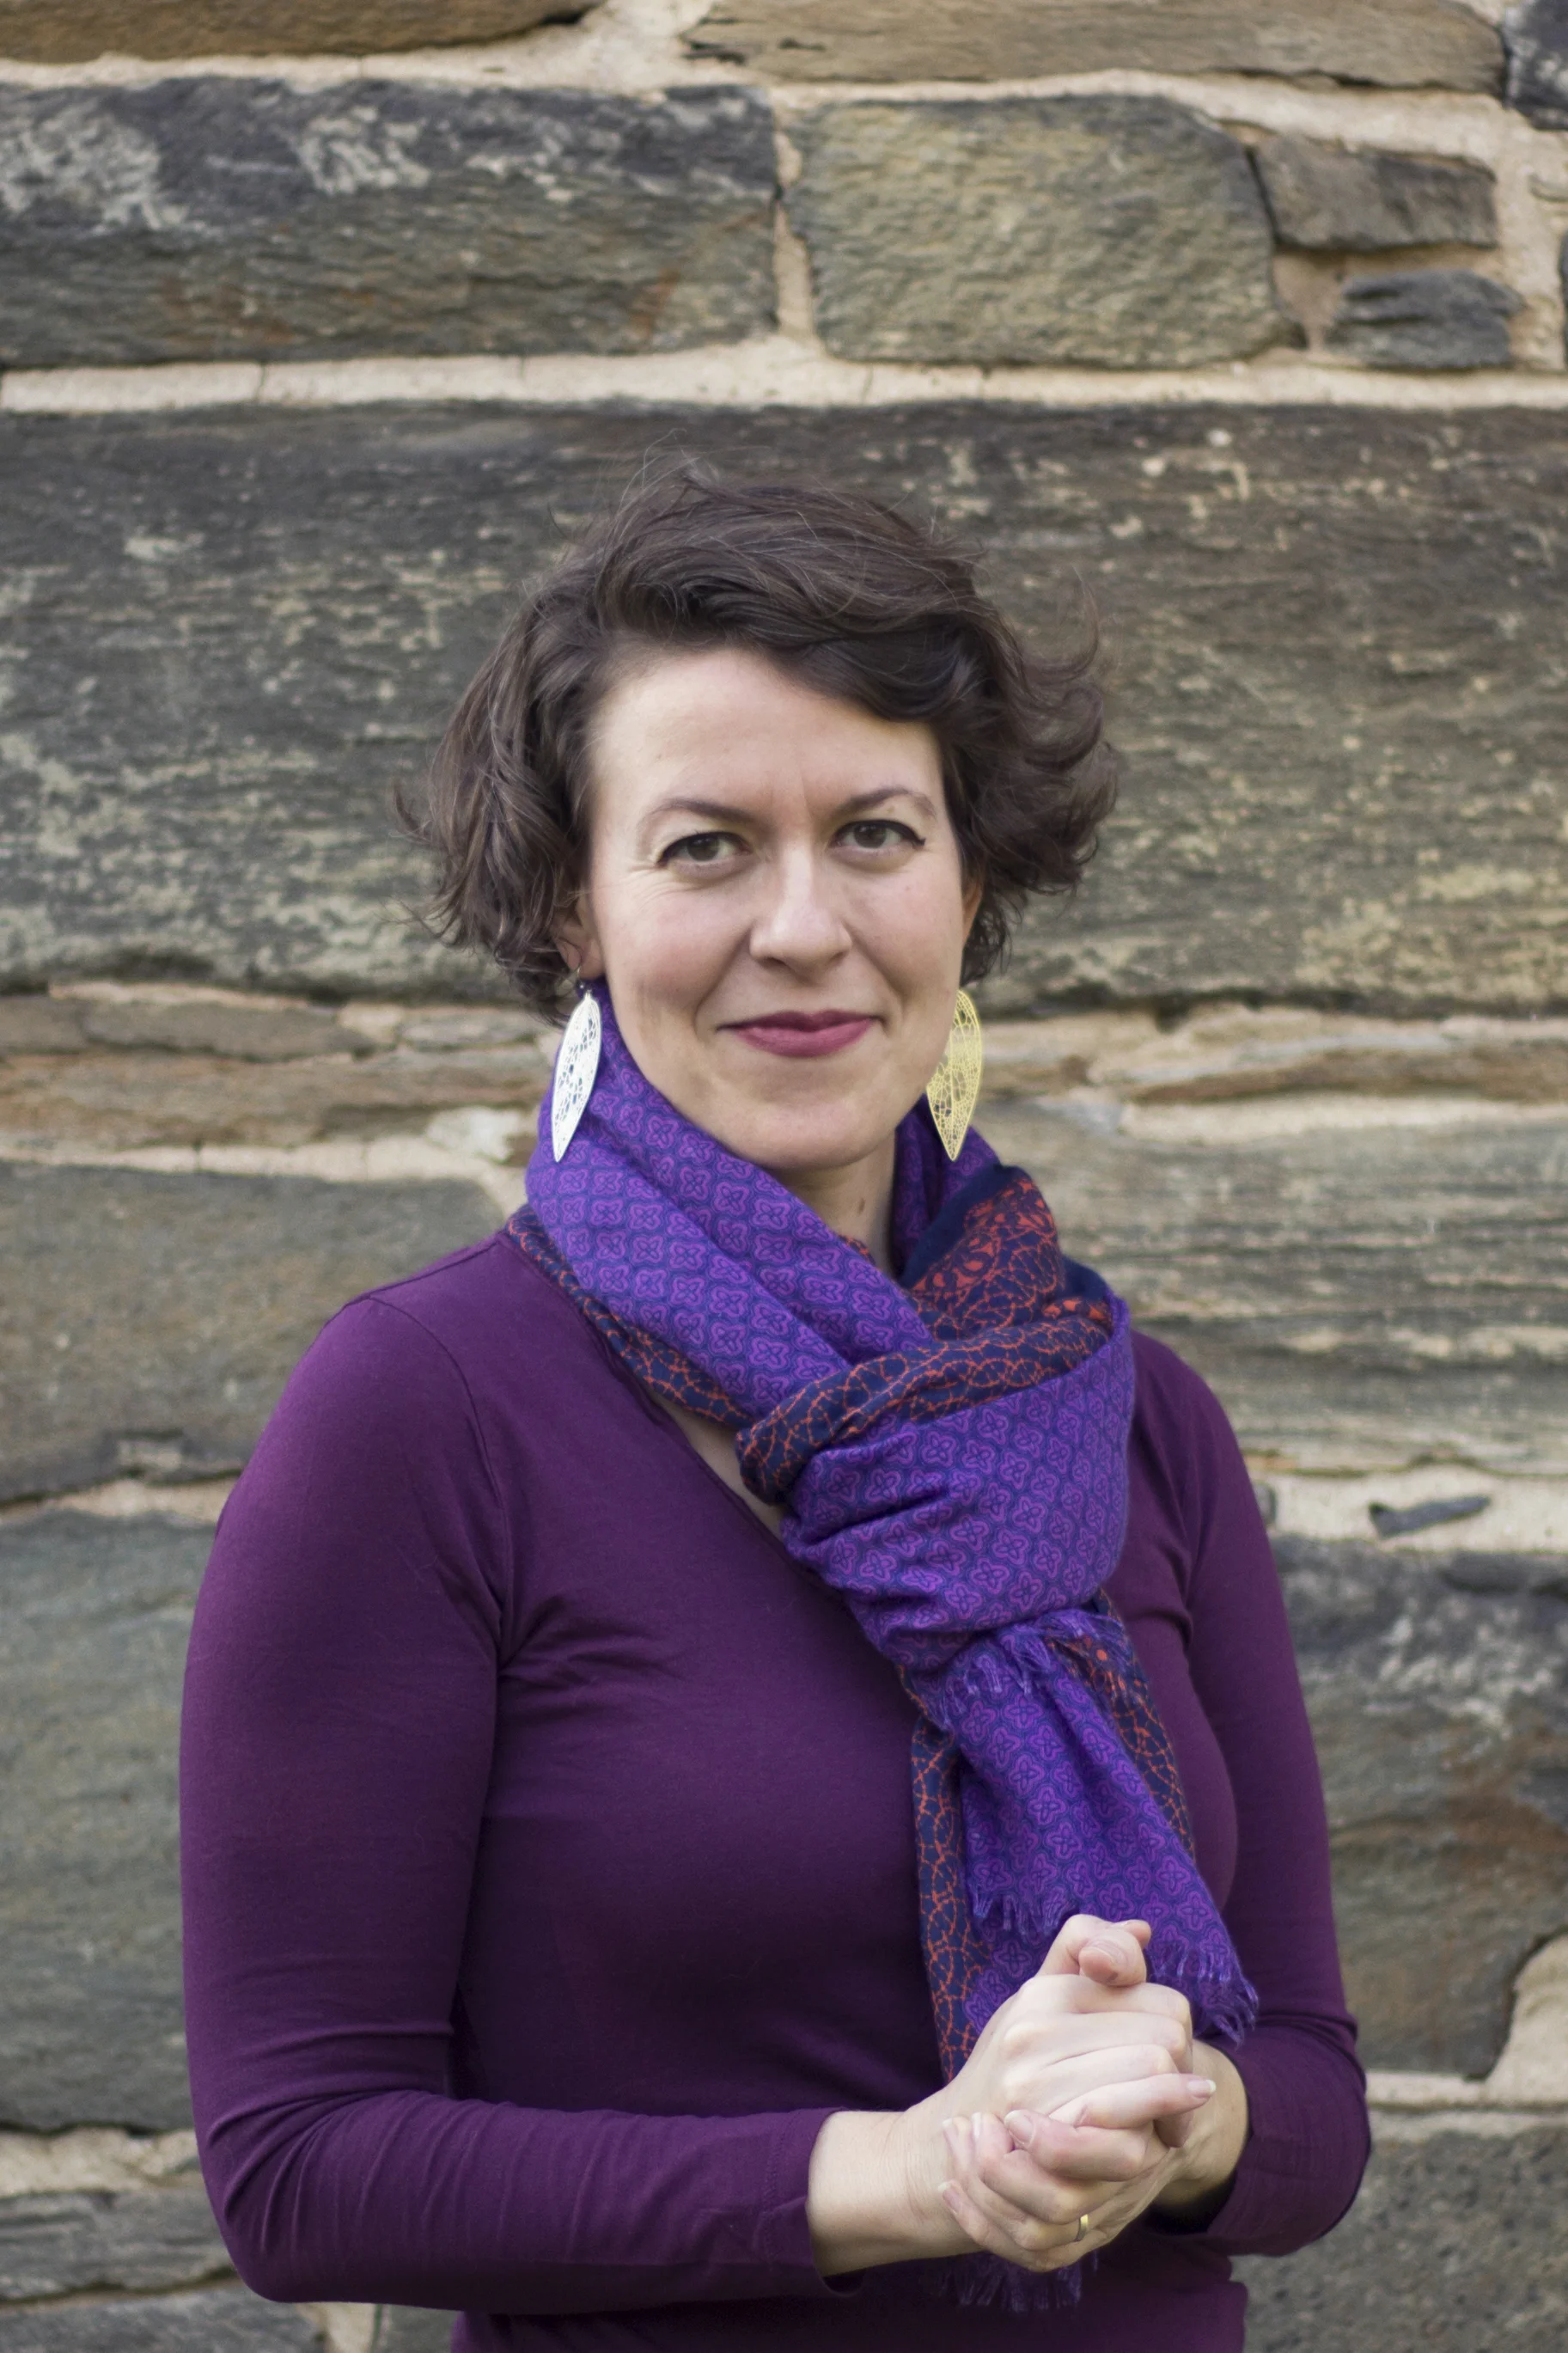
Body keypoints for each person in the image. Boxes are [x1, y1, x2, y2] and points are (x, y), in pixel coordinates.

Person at [180, 473, 1369, 2351]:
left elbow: (1312, 2099)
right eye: (708, 848)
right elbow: (304, 2167)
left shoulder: (1133, 1416)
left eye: (876, 833)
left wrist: (1173, 2112)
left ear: (971, 883)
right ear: (575, 906)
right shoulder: (425, 1414)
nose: (805, 925)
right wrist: (919, 2174)